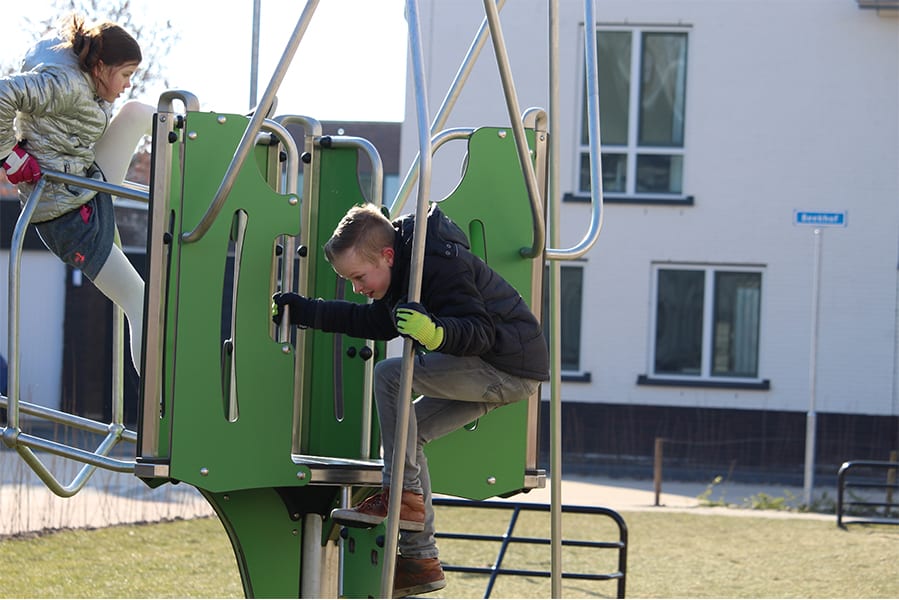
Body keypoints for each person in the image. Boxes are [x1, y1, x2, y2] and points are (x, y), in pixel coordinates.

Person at [273, 202, 550, 597]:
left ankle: (400, 495)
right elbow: (371, 322)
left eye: (359, 277)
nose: (357, 287)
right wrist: (304, 311)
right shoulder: (402, 273)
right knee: (410, 432)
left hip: (506, 365)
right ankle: (421, 559)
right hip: (492, 369)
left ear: (387, 255)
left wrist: (436, 334)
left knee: (390, 376)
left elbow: (481, 331)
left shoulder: (436, 263)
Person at [0, 14, 154, 374]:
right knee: (139, 299)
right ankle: (160, 410)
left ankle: (217, 139)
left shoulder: (87, 82)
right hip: (66, 219)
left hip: (83, 186)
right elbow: (3, 94)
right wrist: (8, 154)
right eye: (126, 74)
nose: (128, 83)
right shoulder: (64, 84)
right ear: (100, 67)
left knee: (137, 113)